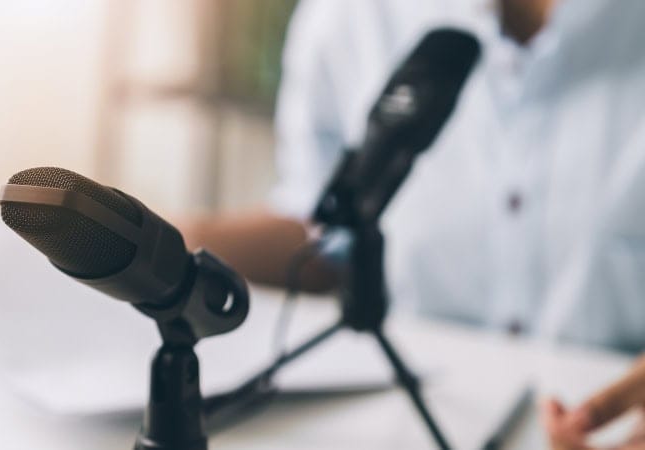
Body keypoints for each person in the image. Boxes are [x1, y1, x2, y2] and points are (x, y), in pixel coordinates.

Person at [182, 0, 645, 447]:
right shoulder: (346, 14)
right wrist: (171, 244)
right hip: (407, 420)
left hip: (605, 428)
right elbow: (325, 235)